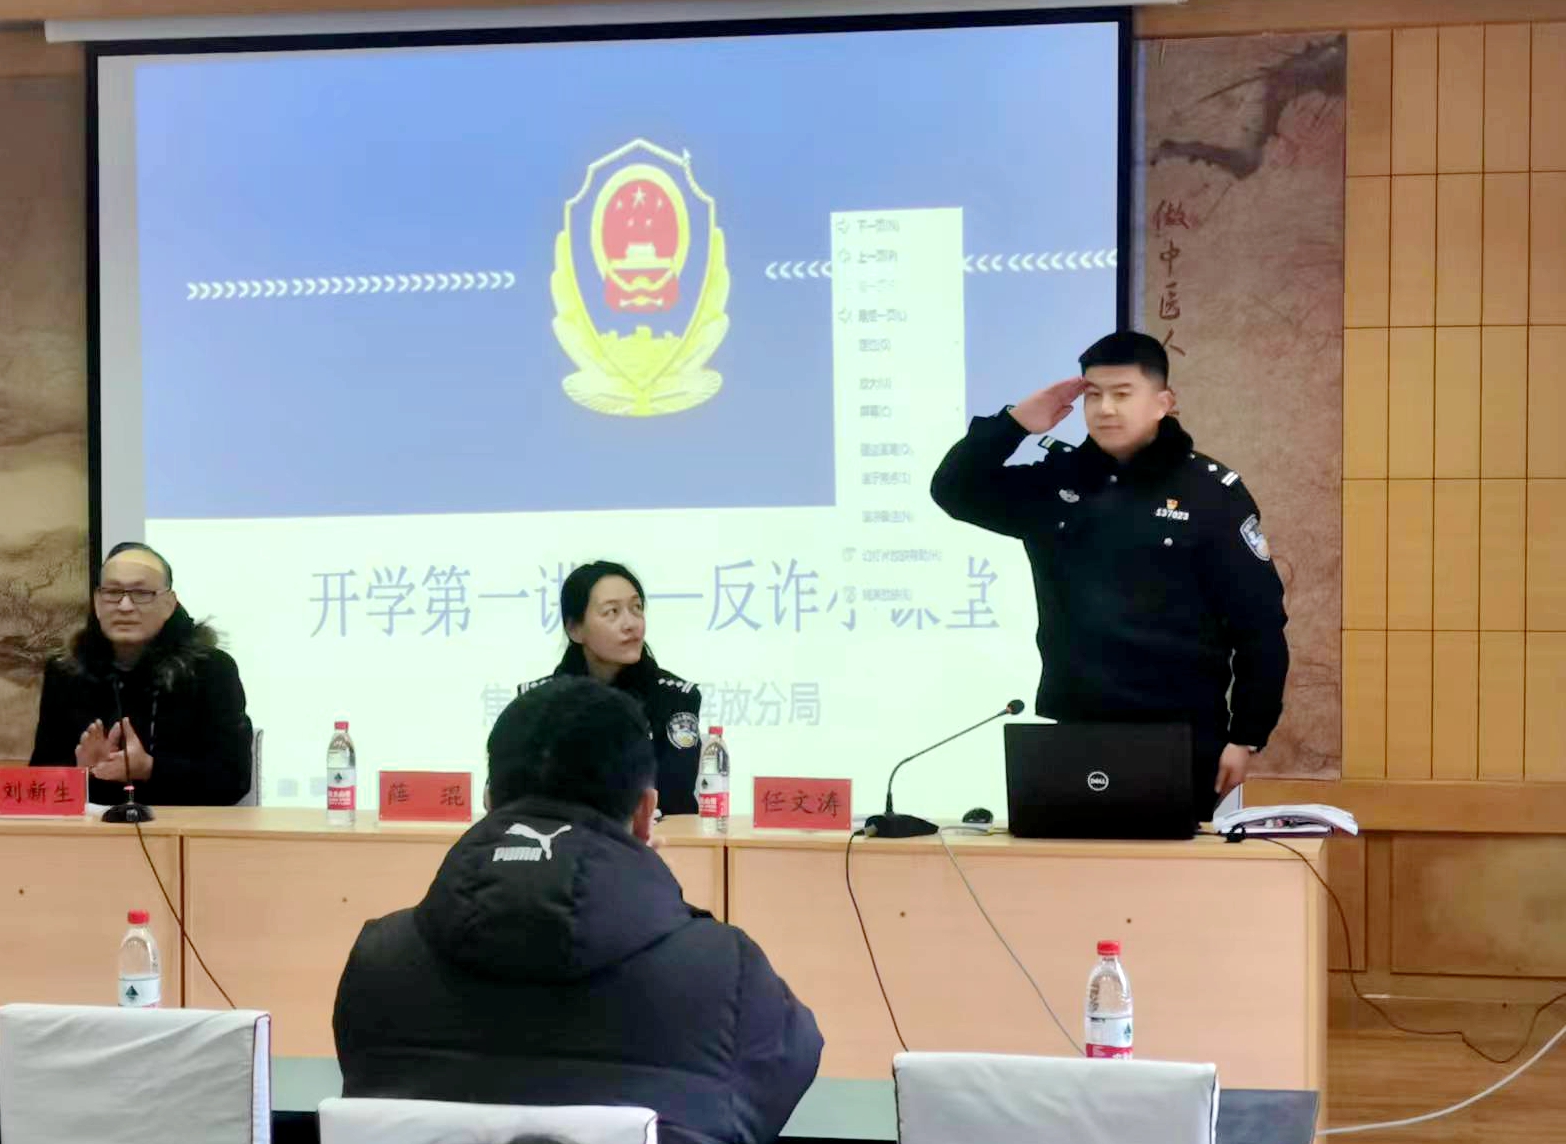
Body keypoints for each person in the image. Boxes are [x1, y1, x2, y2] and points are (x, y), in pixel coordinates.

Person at [333, 677, 823, 1144]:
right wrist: (656, 896)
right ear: (644, 813)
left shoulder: (378, 960)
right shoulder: (725, 969)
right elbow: (773, 1094)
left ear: (489, 800)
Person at [931, 331, 1288, 818]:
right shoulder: (1057, 483)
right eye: (1093, 395)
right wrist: (1014, 424)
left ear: (1163, 403)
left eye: (1123, 393)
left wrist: (1246, 736)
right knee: (1070, 865)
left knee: (1175, 868)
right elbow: (953, 491)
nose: (1105, 409)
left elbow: (1259, 627)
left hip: (1183, 734)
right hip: (1075, 728)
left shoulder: (1211, 494)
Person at [29, 542, 253, 806]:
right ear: (98, 603)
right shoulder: (66, 671)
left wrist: (148, 768)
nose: (125, 606)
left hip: (182, 824)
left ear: (169, 604)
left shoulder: (211, 669)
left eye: (141, 593)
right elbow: (38, 781)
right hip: (91, 828)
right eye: (113, 592)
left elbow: (233, 779)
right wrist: (81, 773)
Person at [521, 561, 703, 815]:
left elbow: (674, 795)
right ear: (574, 629)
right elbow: (507, 791)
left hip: (653, 837)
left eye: (636, 608)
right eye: (612, 612)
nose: (631, 624)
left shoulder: (674, 698)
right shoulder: (537, 702)